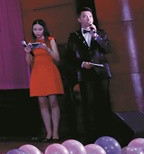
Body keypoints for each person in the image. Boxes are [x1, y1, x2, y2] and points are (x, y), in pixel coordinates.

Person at [66, 7, 112, 141]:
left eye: (90, 16)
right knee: (89, 104)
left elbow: (107, 49)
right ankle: (91, 137)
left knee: (103, 103)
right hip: (85, 74)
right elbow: (69, 57)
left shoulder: (101, 33)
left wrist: (95, 36)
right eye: (85, 17)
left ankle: (106, 135)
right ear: (79, 19)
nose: (88, 19)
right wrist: (81, 64)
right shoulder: (74, 36)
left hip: (102, 73)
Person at [25, 19, 64, 141]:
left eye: (40, 29)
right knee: (42, 103)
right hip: (37, 73)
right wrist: (27, 52)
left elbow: (57, 58)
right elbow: (29, 63)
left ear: (44, 29)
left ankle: (56, 133)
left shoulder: (50, 40)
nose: (37, 32)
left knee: (53, 102)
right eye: (35, 29)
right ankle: (48, 133)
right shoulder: (31, 43)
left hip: (50, 71)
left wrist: (47, 49)